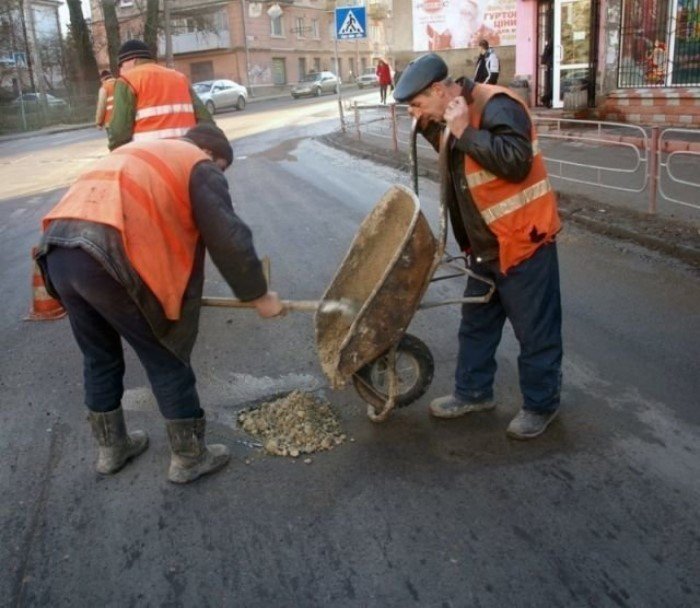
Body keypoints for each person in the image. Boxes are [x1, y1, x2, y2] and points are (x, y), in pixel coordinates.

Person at [34, 124, 284, 482]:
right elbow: (227, 237)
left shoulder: (138, 152)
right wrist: (259, 295)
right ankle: (189, 458)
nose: (219, 174)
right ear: (212, 154)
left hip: (58, 252)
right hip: (107, 256)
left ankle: (112, 450)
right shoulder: (198, 163)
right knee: (166, 356)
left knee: (99, 356)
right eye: (222, 167)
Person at [393, 54, 563, 440]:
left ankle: (541, 405)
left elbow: (515, 162)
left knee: (535, 334)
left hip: (523, 243)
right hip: (485, 249)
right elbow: (463, 161)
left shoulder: (496, 105)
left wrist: (464, 131)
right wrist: (430, 127)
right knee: (476, 327)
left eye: (418, 105)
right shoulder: (452, 113)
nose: (417, 113)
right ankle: (472, 393)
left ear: (438, 90)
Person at [108, 39, 213, 151]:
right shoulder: (180, 78)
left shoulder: (127, 80)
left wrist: (117, 151)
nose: (120, 71)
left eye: (121, 65)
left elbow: (119, 132)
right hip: (187, 153)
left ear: (132, 60)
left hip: (150, 156)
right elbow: (205, 119)